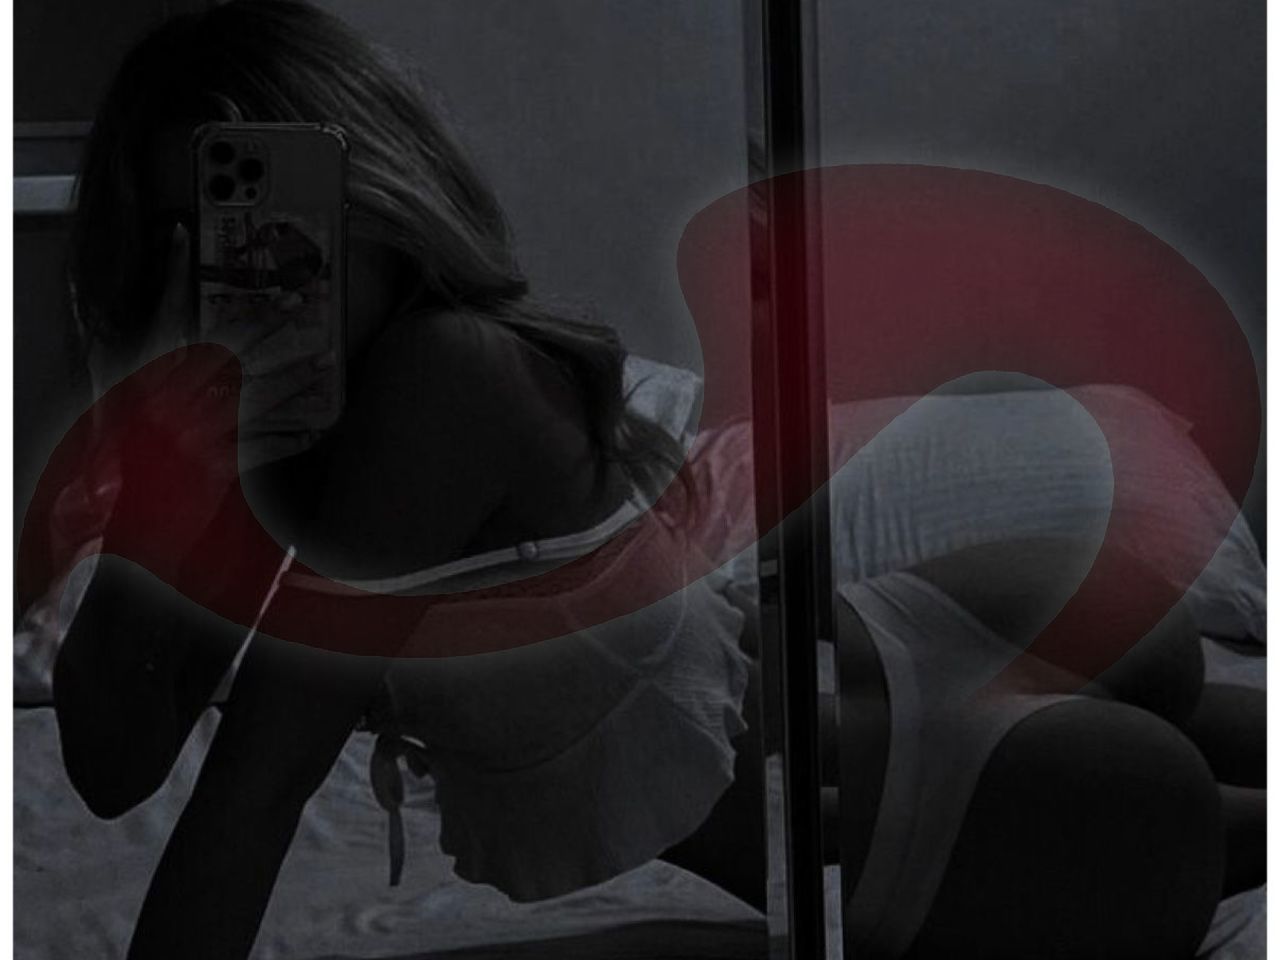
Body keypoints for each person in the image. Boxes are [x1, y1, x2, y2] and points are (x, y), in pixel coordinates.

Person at [39, 3, 1262, 959]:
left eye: (271, 217)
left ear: (368, 185)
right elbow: (111, 766)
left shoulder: (440, 381)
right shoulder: (291, 437)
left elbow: (254, 790)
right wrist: (159, 496)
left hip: (937, 773)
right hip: (951, 743)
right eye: (192, 245)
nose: (241, 272)